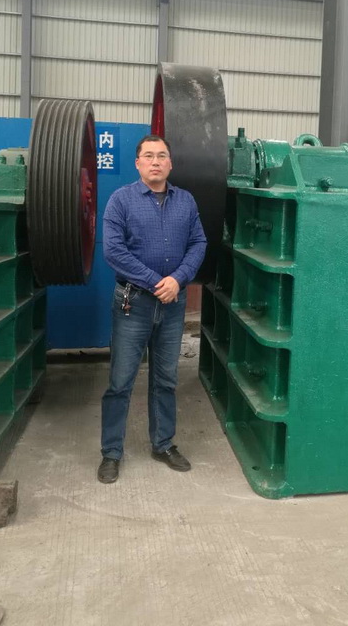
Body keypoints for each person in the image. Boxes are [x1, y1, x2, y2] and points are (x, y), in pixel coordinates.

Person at [98, 134, 207, 484]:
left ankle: (163, 444)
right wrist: (157, 282)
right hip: (133, 303)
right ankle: (111, 452)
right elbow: (114, 251)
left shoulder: (185, 201)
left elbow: (198, 242)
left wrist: (178, 279)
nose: (155, 161)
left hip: (172, 305)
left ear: (170, 163)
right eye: (148, 156)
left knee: (166, 379)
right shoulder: (121, 200)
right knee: (120, 381)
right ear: (138, 163)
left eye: (162, 156)